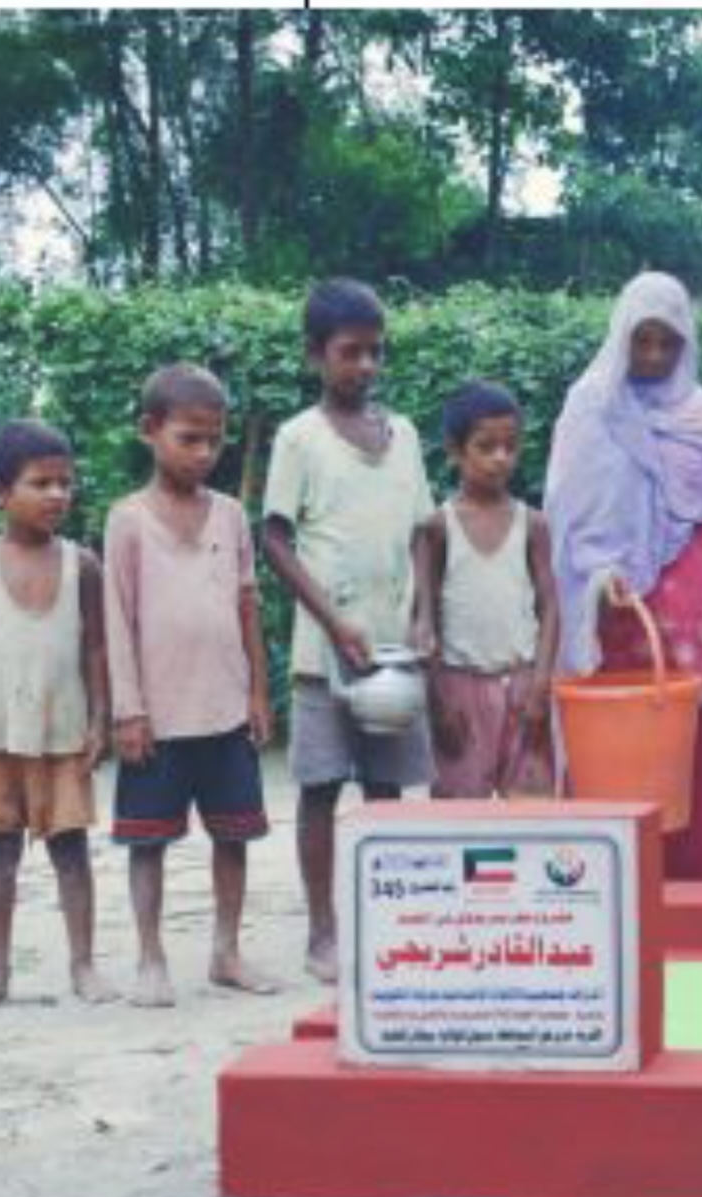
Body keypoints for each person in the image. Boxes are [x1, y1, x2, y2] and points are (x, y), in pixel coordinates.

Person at [263, 278, 435, 984]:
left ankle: (384, 924)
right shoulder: (298, 439)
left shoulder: (406, 437)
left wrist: (423, 612)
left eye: (374, 352)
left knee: (387, 793)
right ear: (315, 355)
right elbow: (274, 539)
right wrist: (332, 623)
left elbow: (426, 531)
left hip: (394, 648)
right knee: (321, 788)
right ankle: (323, 932)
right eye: (348, 352)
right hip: (325, 656)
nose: (364, 366)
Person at [544, 271, 702, 881]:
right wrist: (598, 571)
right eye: (643, 341)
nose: (654, 356)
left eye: (668, 343)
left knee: (687, 726)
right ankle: (608, 881)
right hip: (615, 609)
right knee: (616, 736)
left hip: (691, 603)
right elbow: (568, 513)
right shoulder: (591, 406)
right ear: (622, 336)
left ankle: (688, 880)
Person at [104, 364, 276, 1007]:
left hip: (225, 706)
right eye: (189, 438)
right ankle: (150, 958)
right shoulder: (126, 521)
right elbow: (117, 621)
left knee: (233, 835)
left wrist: (259, 691)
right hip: (157, 714)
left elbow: (247, 605)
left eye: (215, 440)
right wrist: (127, 710)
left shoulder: (230, 515)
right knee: (147, 842)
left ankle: (226, 952)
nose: (204, 453)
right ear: (151, 431)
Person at [0, 419, 115, 1010]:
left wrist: (101, 719)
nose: (58, 495)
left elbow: (95, 647)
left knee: (71, 852)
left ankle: (84, 966)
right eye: (41, 483)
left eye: (66, 483)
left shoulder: (82, 564)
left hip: (62, 732)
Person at [417, 381, 559, 799]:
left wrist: (541, 683)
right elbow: (424, 622)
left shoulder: (532, 525)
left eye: (511, 446)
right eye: (486, 446)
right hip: (460, 690)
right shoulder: (437, 528)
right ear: (456, 450)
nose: (501, 458)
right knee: (459, 822)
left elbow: (550, 605)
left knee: (532, 813)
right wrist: (438, 701)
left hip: (522, 685)